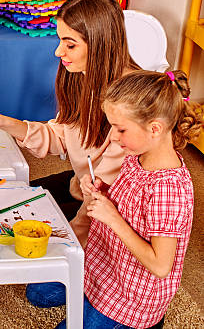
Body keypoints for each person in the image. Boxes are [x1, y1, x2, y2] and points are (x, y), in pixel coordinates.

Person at [26, 69, 199, 328]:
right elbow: (127, 203)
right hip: (103, 265)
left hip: (131, 296)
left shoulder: (168, 188)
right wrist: (98, 192)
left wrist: (113, 218)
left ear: (155, 129)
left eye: (120, 129)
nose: (113, 137)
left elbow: (161, 266)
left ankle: (147, 323)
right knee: (37, 293)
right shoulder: (136, 155)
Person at [0, 0, 139, 245]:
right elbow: (60, 136)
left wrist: (69, 244)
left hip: (110, 213)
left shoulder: (131, 102)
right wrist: (2, 122)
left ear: (100, 43)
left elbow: (104, 194)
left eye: (70, 44)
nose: (59, 52)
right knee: (8, 204)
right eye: (60, 41)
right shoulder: (83, 77)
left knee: (30, 239)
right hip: (84, 189)